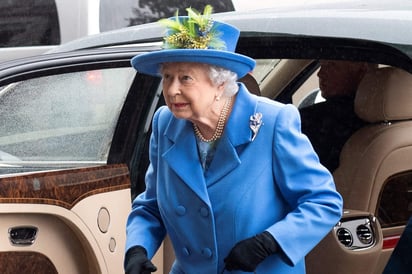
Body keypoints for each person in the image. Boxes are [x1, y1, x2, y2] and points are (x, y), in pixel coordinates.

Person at [124, 5, 343, 274]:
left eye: (185, 78)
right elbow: (152, 205)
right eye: (167, 76)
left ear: (219, 83)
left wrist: (270, 242)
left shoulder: (273, 123)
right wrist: (137, 248)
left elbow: (323, 202)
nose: (171, 90)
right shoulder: (165, 124)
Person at [300, 60, 375, 172]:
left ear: (361, 69)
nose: (320, 73)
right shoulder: (381, 122)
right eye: (321, 66)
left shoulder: (314, 120)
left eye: (331, 65)